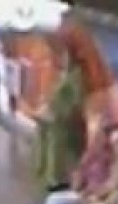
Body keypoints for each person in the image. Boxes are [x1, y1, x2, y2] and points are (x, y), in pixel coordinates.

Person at [13, 113, 116, 204]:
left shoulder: (111, 159)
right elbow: (82, 168)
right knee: (62, 203)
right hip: (85, 191)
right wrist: (78, 181)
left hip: (97, 196)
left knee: (61, 203)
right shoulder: (95, 152)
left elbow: (110, 183)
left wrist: (93, 194)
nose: (98, 136)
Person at [32, 44, 86, 194]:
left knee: (59, 153)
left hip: (62, 123)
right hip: (52, 121)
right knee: (51, 150)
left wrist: (58, 113)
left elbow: (75, 101)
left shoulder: (76, 77)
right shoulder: (62, 75)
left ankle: (57, 180)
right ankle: (49, 176)